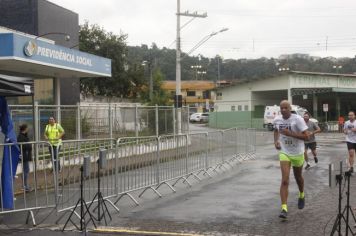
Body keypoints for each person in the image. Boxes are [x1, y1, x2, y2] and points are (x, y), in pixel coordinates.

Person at [273, 100, 310, 219]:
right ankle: (284, 208)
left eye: (285, 108)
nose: (283, 110)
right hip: (284, 152)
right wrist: (276, 141)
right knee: (285, 180)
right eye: (281, 108)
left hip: (298, 152)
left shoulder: (298, 119)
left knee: (298, 177)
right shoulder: (277, 120)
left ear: (290, 108)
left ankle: (301, 194)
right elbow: (275, 130)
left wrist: (291, 134)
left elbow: (307, 136)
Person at [17, 124, 32, 191]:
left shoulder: (24, 135)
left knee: (26, 170)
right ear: (25, 129)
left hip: (25, 155)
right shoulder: (20, 137)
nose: (28, 129)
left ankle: (25, 185)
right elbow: (23, 146)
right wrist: (29, 146)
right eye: (27, 128)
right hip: (23, 155)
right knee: (26, 170)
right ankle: (25, 186)